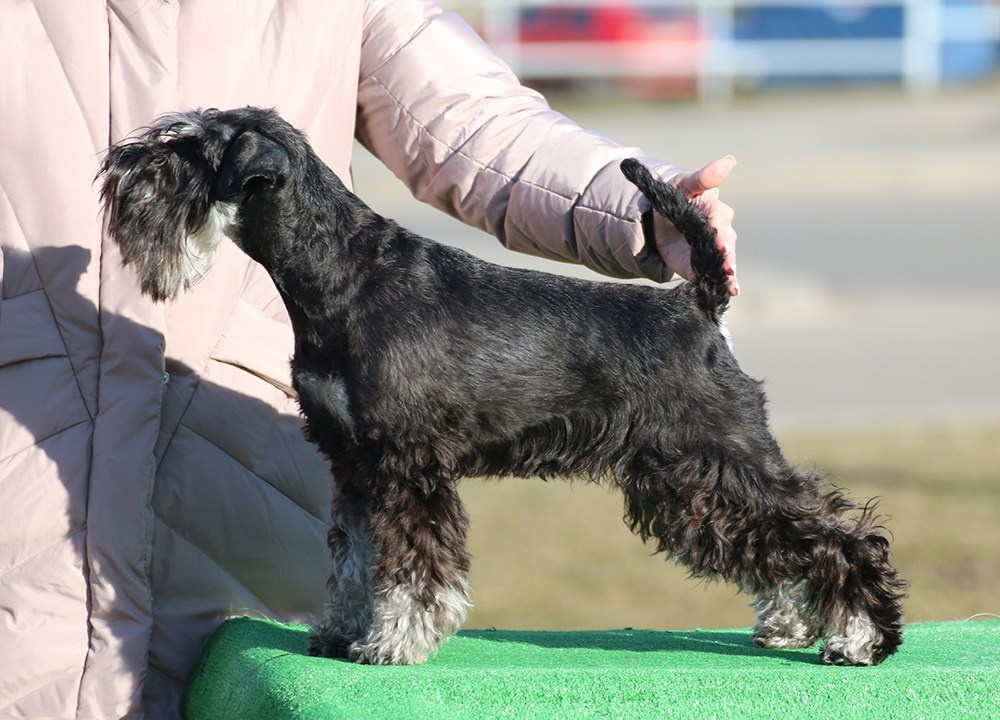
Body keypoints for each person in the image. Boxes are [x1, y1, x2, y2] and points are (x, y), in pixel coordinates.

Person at [0, 1, 736, 717]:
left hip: (237, 513)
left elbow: (473, 121)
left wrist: (639, 205)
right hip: (25, 522)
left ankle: (847, 586)